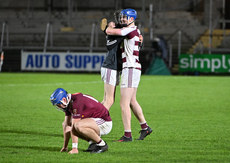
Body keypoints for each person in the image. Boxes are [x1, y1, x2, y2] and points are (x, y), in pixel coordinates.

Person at [105, 9, 152, 142]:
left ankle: (127, 135)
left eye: (125, 17)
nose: (122, 19)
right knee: (132, 101)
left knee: (123, 103)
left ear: (132, 19)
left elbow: (111, 32)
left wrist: (109, 26)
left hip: (130, 68)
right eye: (122, 17)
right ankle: (145, 128)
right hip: (134, 68)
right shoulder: (135, 30)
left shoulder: (129, 30)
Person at [50, 88, 112, 154]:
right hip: (94, 120)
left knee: (78, 125)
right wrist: (65, 147)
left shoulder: (77, 102)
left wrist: (74, 148)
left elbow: (74, 126)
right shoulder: (69, 103)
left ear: (64, 100)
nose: (58, 107)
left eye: (58, 104)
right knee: (69, 124)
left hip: (104, 122)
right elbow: (66, 125)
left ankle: (102, 145)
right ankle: (93, 143)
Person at [100, 10, 125, 110]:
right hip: (111, 66)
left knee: (106, 99)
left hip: (112, 66)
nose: (122, 19)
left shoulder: (113, 30)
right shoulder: (118, 32)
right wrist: (108, 28)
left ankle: (92, 117)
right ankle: (97, 122)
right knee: (109, 100)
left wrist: (107, 28)